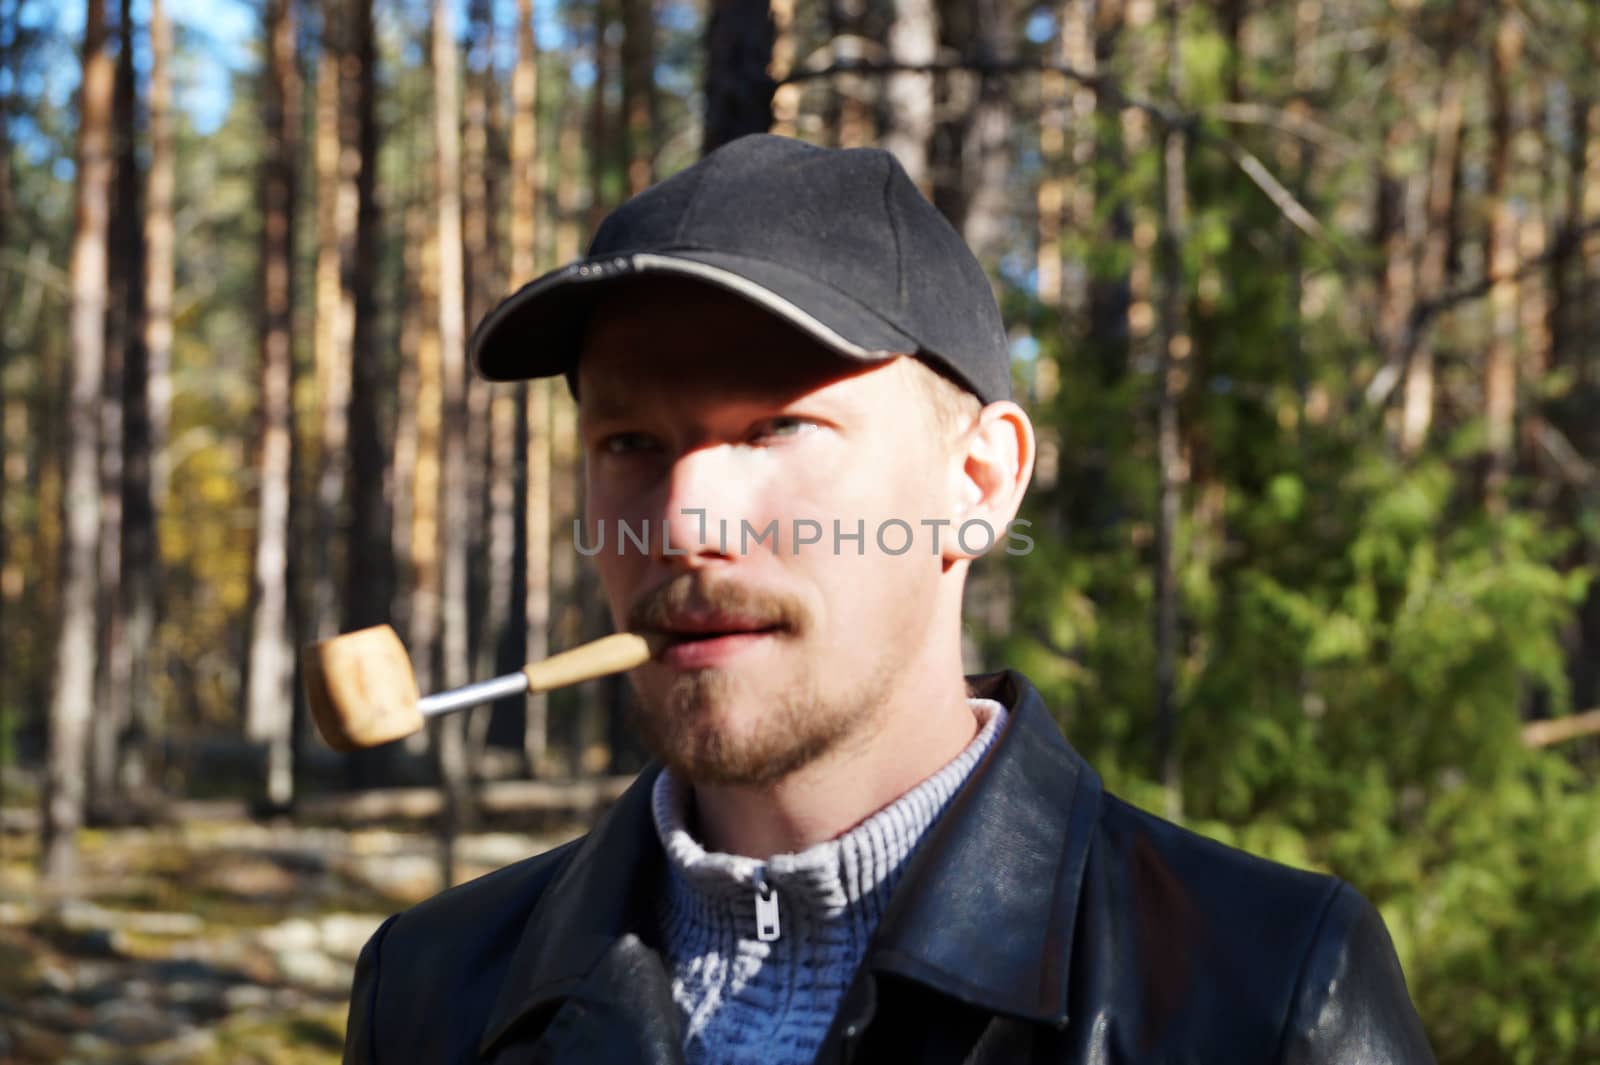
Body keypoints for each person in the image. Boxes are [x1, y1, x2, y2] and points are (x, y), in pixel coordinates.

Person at [340, 133, 1435, 1065]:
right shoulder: (434, 992)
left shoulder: (1267, 990)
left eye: (777, 427)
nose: (681, 520)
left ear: (977, 485)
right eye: (630, 442)